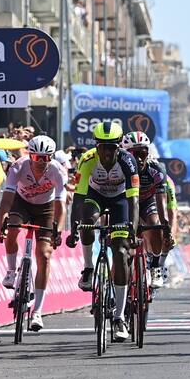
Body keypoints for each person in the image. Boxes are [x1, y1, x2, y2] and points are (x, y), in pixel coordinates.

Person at [66, 122, 140, 342]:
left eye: (112, 148)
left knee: (120, 252)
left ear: (119, 147)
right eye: (103, 147)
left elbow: (133, 200)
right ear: (96, 147)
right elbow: (78, 198)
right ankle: (88, 268)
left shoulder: (129, 161)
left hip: (120, 200)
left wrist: (132, 231)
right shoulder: (87, 159)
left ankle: (119, 317)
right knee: (86, 221)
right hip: (94, 196)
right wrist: (73, 228)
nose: (107, 152)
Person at [0, 135, 67, 332]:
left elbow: (61, 206)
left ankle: (37, 311)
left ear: (51, 158)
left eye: (46, 158)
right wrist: (1, 223)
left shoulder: (58, 171)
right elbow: (7, 200)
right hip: (22, 203)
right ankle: (11, 272)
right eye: (37, 158)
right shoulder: (18, 166)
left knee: (44, 255)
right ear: (30, 156)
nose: (42, 163)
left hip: (46, 209)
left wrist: (58, 229)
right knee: (14, 227)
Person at [120, 132, 170, 289]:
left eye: (143, 153)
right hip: (125, 202)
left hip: (147, 202)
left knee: (155, 225)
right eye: (134, 154)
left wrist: (165, 227)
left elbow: (162, 202)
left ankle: (155, 266)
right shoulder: (118, 168)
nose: (139, 158)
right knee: (119, 246)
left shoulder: (156, 169)